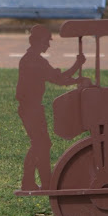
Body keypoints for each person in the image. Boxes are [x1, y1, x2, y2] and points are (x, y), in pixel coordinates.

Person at [16, 25, 86, 190]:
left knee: (41, 144)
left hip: (32, 107)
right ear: (39, 41)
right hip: (30, 108)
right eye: (46, 41)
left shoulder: (33, 60)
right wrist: (77, 67)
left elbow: (58, 77)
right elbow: (59, 79)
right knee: (41, 144)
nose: (48, 45)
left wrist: (76, 74)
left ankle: (34, 182)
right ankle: (41, 182)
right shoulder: (33, 61)